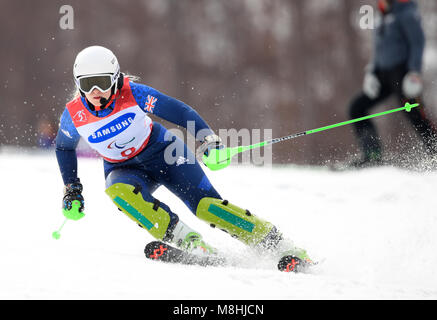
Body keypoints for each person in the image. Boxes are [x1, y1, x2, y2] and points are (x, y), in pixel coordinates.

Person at [55, 46, 313, 271]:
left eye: (102, 81)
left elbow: (180, 111)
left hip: (164, 152)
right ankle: (190, 242)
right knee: (117, 191)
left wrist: (209, 140)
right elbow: (64, 148)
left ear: (115, 78)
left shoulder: (133, 94)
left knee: (207, 207)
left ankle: (276, 243)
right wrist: (72, 188)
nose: (96, 91)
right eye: (87, 84)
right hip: (124, 168)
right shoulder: (73, 115)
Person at [348, 0, 437, 168]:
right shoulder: (381, 15)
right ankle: (372, 154)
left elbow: (417, 44)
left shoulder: (406, 12)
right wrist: (371, 73)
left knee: (415, 112)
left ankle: (435, 153)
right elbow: (378, 49)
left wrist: (414, 73)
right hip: (382, 74)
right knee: (357, 108)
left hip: (402, 73)